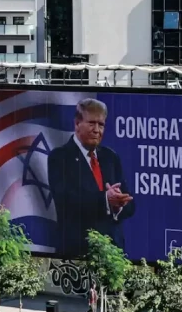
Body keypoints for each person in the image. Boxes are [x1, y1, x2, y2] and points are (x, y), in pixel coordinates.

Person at [47, 98, 136, 258]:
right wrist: (106, 200)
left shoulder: (110, 157)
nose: (97, 130)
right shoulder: (60, 157)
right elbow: (67, 201)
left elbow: (130, 204)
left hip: (113, 254)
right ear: (77, 124)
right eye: (91, 123)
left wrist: (118, 205)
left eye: (101, 125)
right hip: (77, 253)